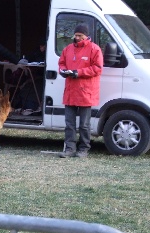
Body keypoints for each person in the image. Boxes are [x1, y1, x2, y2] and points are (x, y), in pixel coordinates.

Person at [58, 23, 103, 158]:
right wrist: (63, 71)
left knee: (84, 125)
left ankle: (83, 149)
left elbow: (98, 68)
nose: (77, 38)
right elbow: (61, 63)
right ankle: (70, 149)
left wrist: (78, 72)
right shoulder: (68, 49)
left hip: (85, 92)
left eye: (80, 35)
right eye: (76, 35)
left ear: (86, 36)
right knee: (69, 124)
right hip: (71, 91)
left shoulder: (94, 49)